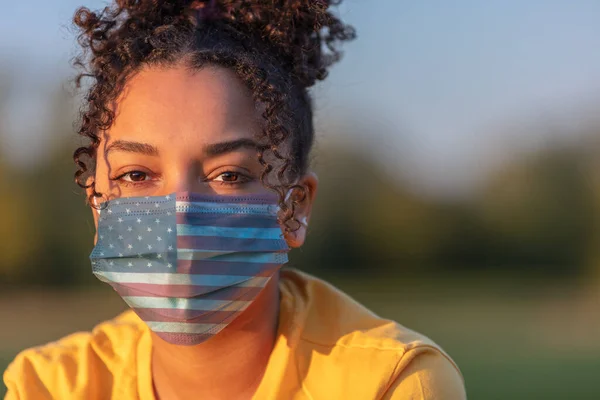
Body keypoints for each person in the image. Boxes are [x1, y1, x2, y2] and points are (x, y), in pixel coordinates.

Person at [3, 1, 466, 399]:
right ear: (97, 209)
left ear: (295, 208)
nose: (181, 211)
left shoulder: (389, 383)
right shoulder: (49, 386)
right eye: (137, 174)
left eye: (229, 174)